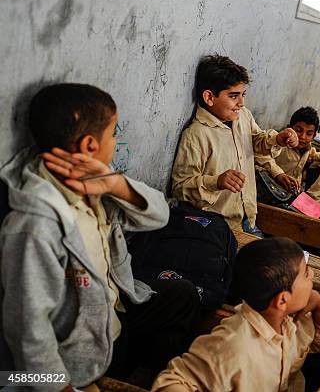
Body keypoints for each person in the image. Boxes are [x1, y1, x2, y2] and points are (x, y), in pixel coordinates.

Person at [0, 84, 200, 390]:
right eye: (113, 134)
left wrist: (115, 185)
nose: (116, 142)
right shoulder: (35, 224)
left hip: (116, 313)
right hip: (81, 353)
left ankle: (149, 377)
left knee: (183, 295)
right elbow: (27, 325)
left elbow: (159, 216)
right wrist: (59, 386)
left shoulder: (97, 181)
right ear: (90, 144)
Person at [152, 237, 320, 392]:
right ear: (282, 300)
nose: (313, 276)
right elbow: (173, 381)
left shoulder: (293, 318)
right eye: (306, 273)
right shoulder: (233, 344)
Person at [171, 55, 298, 232]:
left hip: (249, 217)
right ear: (209, 97)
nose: (241, 102)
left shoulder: (243, 116)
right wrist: (216, 182)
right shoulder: (196, 135)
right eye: (233, 96)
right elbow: (180, 188)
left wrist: (277, 139)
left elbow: (256, 143)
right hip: (218, 228)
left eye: (242, 94)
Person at [255, 106, 320, 192]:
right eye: (298, 130)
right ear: (289, 128)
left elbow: (311, 155)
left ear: (314, 136)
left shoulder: (307, 147)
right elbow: (262, 156)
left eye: (309, 134)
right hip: (272, 188)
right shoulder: (281, 144)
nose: (302, 137)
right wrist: (278, 174)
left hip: (293, 191)